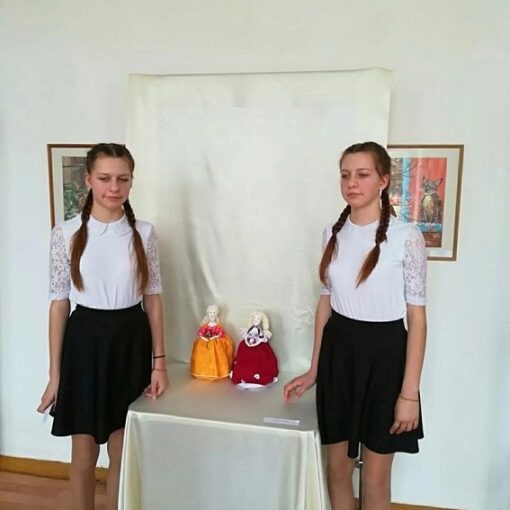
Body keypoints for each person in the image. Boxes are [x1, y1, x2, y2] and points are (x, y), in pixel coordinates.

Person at [284, 141, 427, 510]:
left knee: (375, 478)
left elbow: (416, 318)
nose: (351, 182)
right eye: (345, 175)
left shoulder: (406, 237)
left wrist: (409, 395)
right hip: (339, 356)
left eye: (362, 174)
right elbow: (326, 303)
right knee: (337, 470)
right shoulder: (332, 234)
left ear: (383, 180)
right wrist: (314, 369)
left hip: (386, 357)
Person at [37, 143, 169, 510]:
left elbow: (153, 299)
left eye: (123, 179)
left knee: (121, 451)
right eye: (105, 178)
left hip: (130, 341)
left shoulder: (144, 233)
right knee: (83, 454)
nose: (114, 187)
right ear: (88, 180)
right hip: (84, 343)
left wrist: (159, 363)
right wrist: (55, 375)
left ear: (131, 182)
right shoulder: (66, 233)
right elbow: (59, 304)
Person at [231, 311, 279, 388]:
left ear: (261, 320)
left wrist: (260, 338)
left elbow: (262, 338)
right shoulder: (249, 330)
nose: (256, 320)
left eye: (258, 318)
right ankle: (243, 374)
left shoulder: (261, 332)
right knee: (243, 352)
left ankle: (256, 376)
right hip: (248, 344)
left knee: (261, 355)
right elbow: (247, 335)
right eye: (254, 318)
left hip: (258, 346)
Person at [190, 304, 234, 379]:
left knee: (216, 349)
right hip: (206, 340)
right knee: (200, 349)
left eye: (213, 313)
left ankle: (216, 370)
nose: (212, 315)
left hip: (215, 341)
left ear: (216, 314)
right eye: (210, 313)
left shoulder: (218, 325)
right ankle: (202, 370)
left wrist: (214, 337)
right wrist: (204, 338)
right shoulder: (205, 325)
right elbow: (201, 333)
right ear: (208, 314)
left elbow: (220, 333)